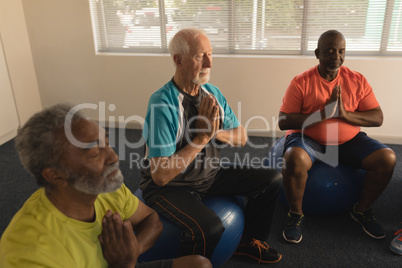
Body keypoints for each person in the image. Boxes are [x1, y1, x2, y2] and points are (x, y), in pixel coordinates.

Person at [0, 103, 211, 268]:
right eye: (94, 152)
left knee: (200, 264)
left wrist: (132, 251)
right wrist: (123, 264)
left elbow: (151, 219)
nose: (113, 157)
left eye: (107, 142)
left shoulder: (103, 186)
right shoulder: (30, 252)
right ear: (55, 175)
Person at [140, 27, 283, 264]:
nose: (209, 63)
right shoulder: (162, 104)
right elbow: (160, 176)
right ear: (178, 60)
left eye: (210, 54)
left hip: (208, 173)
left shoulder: (211, 93)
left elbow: (241, 137)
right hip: (171, 187)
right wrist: (202, 139)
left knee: (272, 180)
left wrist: (215, 131)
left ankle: (248, 241)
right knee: (210, 228)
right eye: (199, 56)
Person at [278, 30, 397, 244]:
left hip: (349, 141)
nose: (336, 57)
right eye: (330, 51)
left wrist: (344, 114)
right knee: (293, 159)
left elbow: (377, 117)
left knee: (387, 158)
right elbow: (284, 121)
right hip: (309, 140)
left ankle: (361, 210)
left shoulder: (357, 80)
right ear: (317, 53)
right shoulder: (301, 82)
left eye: (341, 51)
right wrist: (323, 113)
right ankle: (295, 214)